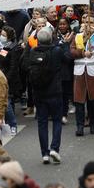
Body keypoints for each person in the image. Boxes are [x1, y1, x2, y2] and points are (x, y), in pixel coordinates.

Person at [26, 28, 64, 164]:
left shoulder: (33, 51)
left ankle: (44, 154)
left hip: (39, 92)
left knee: (42, 123)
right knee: (57, 121)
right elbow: (66, 59)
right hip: (55, 92)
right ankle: (54, 148)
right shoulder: (57, 51)